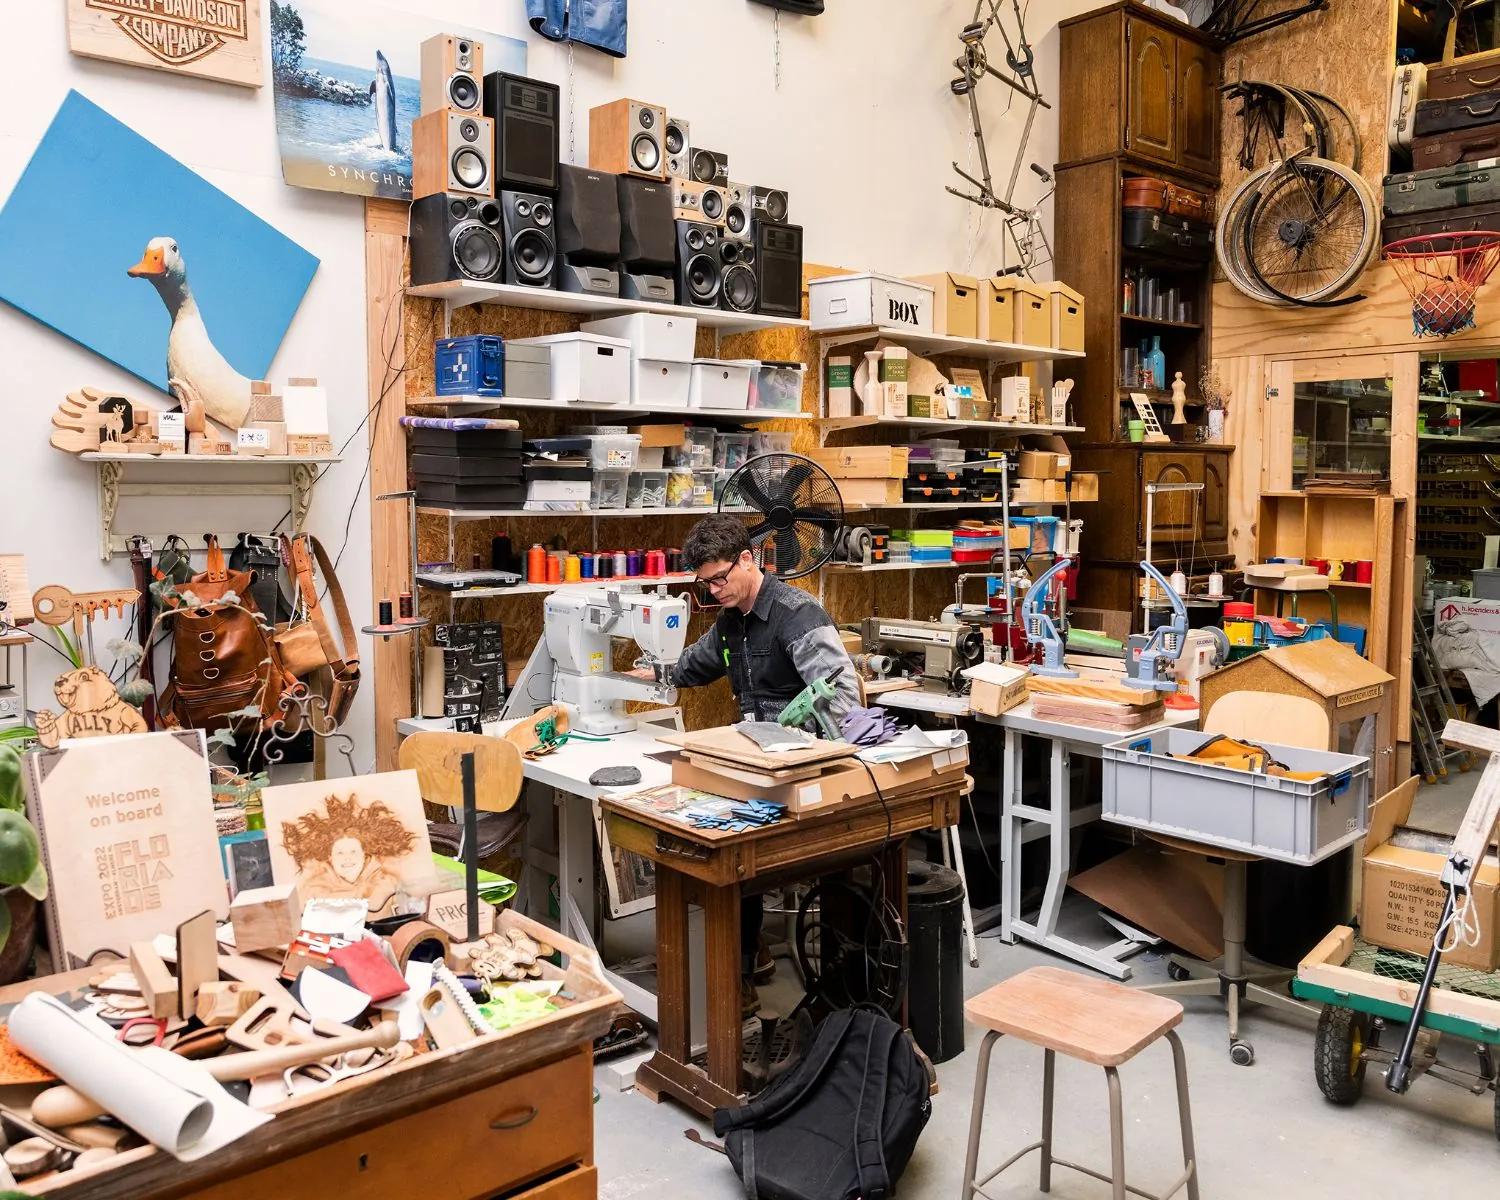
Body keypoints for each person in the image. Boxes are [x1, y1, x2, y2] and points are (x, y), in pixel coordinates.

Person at [641, 514, 861, 1013]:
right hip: (754, 765)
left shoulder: (796, 616)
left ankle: (744, 965)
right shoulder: (729, 621)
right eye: (706, 583)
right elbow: (694, 665)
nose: (715, 590)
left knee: (734, 853)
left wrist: (800, 741)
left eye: (721, 578)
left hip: (804, 765)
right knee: (717, 845)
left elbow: (845, 701)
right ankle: (743, 959)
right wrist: (650, 673)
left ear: (748, 558)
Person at [279, 794, 418, 918]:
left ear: (365, 854)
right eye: (340, 853)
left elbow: (412, 917)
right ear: (330, 858)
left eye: (353, 851)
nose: (347, 858)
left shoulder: (388, 882)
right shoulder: (313, 890)